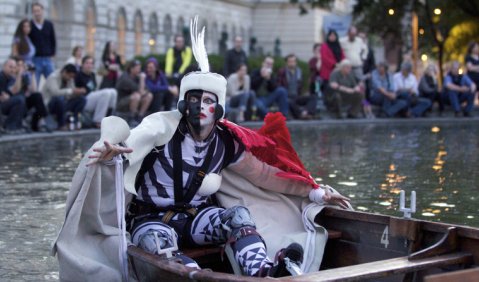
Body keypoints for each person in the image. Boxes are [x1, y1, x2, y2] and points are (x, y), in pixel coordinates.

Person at [52, 18, 351, 281]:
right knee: (157, 242)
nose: (200, 107)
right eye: (194, 100)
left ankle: (262, 272)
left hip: (198, 218)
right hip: (151, 219)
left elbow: (266, 175)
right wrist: (112, 152)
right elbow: (132, 140)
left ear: (219, 108)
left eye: (208, 101)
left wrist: (315, 193)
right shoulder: (161, 129)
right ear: (183, 103)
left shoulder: (226, 142)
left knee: (237, 217)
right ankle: (194, 275)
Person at [74, 55, 118, 128]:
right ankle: (98, 121)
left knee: (113, 91)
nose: (89, 65)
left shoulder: (92, 75)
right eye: (87, 63)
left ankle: (109, 118)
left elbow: (94, 89)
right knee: (106, 92)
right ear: (83, 64)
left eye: (91, 63)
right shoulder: (78, 75)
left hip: (92, 97)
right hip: (83, 100)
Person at [42, 64, 86, 130]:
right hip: (50, 104)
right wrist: (71, 91)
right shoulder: (53, 77)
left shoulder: (70, 79)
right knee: (58, 99)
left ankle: (74, 121)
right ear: (64, 72)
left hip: (64, 103)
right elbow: (55, 92)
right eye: (70, 76)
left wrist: (78, 92)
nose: (70, 78)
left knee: (82, 99)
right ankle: (61, 124)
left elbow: (71, 91)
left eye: (72, 77)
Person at [14, 58, 49, 132]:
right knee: (22, 99)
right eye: (19, 65)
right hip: (16, 101)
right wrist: (19, 75)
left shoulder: (25, 77)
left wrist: (32, 74)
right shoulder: (12, 76)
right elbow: (16, 90)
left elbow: (34, 90)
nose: (21, 67)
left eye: (22, 65)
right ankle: (39, 122)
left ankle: (41, 120)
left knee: (38, 95)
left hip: (25, 101)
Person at [278, 54, 317, 119]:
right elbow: (279, 85)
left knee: (313, 97)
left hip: (297, 96)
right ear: (287, 63)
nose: (292, 63)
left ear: (296, 62)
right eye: (290, 61)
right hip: (287, 96)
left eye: (293, 61)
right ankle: (301, 114)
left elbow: (302, 84)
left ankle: (306, 112)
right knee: (289, 102)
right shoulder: (282, 72)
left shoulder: (299, 71)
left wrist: (305, 92)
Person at [115, 59, 153, 124]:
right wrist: (142, 79)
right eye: (137, 68)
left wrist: (144, 91)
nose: (139, 70)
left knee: (149, 96)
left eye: (140, 68)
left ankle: (140, 116)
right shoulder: (125, 77)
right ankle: (132, 118)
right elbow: (141, 92)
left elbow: (147, 90)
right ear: (131, 69)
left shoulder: (137, 77)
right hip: (121, 103)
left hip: (133, 100)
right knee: (136, 96)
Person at [29, 2, 56, 85]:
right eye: (34, 11)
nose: (37, 13)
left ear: (42, 11)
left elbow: (53, 39)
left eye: (38, 11)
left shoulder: (49, 24)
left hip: (47, 59)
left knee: (53, 83)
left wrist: (53, 53)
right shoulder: (30, 25)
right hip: (35, 59)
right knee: (34, 83)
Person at [0, 58, 27, 132]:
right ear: (4, 66)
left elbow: (14, 91)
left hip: (5, 103)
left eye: (14, 67)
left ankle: (16, 126)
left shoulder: (11, 77)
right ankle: (10, 127)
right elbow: (4, 97)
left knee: (21, 98)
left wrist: (19, 75)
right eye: (10, 67)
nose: (12, 69)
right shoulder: (1, 77)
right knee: (19, 99)